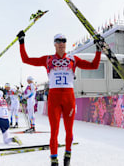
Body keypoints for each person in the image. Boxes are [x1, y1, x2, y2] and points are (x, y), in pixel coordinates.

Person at [17, 30, 101, 166]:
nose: (61, 44)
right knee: (54, 131)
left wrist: (98, 50)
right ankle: (54, 160)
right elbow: (26, 59)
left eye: (64, 41)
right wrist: (21, 42)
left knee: (69, 130)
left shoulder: (73, 59)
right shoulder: (48, 59)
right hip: (54, 99)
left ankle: (67, 157)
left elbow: (94, 65)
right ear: (54, 45)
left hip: (69, 99)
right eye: (58, 41)